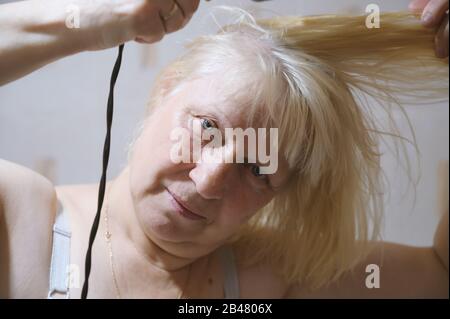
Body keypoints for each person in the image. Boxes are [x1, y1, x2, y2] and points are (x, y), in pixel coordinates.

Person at [0, 0, 448, 299]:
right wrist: (88, 19)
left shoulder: (269, 277)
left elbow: (440, 274)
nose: (209, 182)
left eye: (257, 168)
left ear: (279, 191)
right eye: (208, 128)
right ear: (165, 92)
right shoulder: (25, 222)